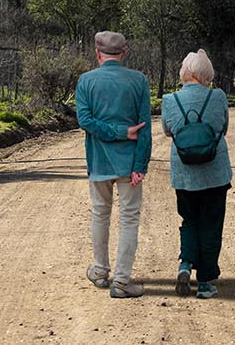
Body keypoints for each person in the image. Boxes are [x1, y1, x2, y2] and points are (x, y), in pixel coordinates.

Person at [74, 30, 152, 298]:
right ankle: (121, 281)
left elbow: (85, 121)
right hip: (130, 164)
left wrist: (115, 131)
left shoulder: (85, 81)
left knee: (100, 213)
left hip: (98, 161)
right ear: (124, 53)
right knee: (129, 218)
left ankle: (99, 270)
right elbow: (145, 128)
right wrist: (140, 164)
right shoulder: (138, 80)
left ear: (97, 53)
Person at [160, 49, 232, 299]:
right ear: (206, 74)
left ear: (184, 72)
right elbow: (223, 128)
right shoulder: (218, 97)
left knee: (189, 220)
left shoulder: (169, 100)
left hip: (184, 174)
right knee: (211, 225)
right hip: (215, 173)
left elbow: (167, 131)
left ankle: (185, 263)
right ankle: (205, 283)